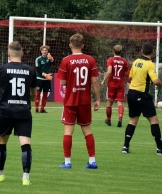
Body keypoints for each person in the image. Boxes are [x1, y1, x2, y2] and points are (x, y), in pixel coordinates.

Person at [0, 41, 37, 186]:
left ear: (9, 54)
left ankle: (1, 173)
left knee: (1, 142)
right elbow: (34, 95)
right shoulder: (30, 70)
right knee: (25, 144)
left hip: (6, 111)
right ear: (22, 53)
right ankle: (25, 177)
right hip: (23, 111)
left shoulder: (1, 69)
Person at [122, 42, 162, 155]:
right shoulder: (150, 64)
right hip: (142, 95)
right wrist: (159, 84)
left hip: (131, 93)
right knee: (154, 120)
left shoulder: (136, 61)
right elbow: (156, 81)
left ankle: (125, 147)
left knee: (132, 121)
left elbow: (130, 77)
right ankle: (160, 148)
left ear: (141, 51)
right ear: (152, 52)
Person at [57, 33, 100, 170]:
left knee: (68, 130)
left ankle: (67, 162)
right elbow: (94, 81)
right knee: (87, 130)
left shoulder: (66, 60)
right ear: (82, 45)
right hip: (85, 100)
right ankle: (92, 161)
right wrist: (98, 99)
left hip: (70, 100)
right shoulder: (90, 60)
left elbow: (63, 82)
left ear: (70, 45)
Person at [101, 45, 128, 127]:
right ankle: (120, 118)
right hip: (120, 83)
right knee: (119, 102)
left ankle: (108, 120)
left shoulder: (110, 60)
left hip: (112, 84)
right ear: (121, 51)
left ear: (113, 51)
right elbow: (126, 73)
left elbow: (109, 72)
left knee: (109, 102)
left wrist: (103, 80)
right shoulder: (124, 61)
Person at [34, 45, 54, 113]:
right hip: (39, 78)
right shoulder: (38, 59)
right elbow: (37, 69)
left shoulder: (49, 58)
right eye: (43, 50)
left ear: (47, 51)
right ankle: (36, 109)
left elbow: (53, 64)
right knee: (38, 94)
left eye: (46, 50)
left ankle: (42, 109)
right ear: (41, 51)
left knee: (45, 94)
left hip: (47, 80)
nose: (44, 51)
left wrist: (52, 60)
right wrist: (44, 74)